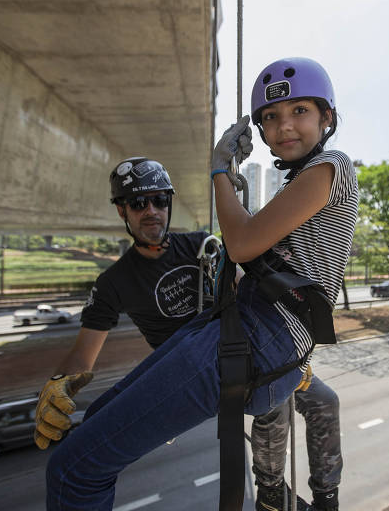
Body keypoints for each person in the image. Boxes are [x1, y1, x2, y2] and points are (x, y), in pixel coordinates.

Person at [43, 56, 358, 511]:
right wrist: (63, 380)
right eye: (271, 117)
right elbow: (250, 245)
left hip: (255, 340)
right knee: (94, 424)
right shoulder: (116, 280)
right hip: (235, 336)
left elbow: (244, 243)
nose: (284, 126)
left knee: (73, 469)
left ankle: (285, 493)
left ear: (327, 117)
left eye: (299, 112)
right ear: (122, 212)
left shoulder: (327, 168)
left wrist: (220, 173)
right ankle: (278, 492)